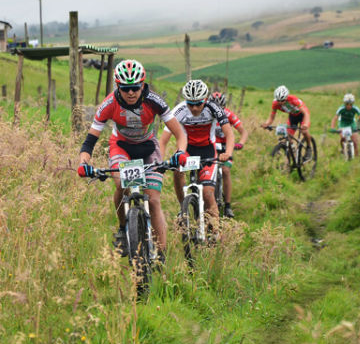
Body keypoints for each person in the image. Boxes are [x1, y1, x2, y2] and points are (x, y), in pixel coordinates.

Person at [77, 59, 187, 260]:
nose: (130, 92)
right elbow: (89, 141)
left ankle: (161, 254)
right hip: (121, 147)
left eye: (135, 88)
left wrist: (180, 152)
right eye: (125, 88)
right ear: (118, 86)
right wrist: (84, 162)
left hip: (148, 147)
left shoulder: (154, 100)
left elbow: (180, 133)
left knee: (153, 200)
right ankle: (122, 229)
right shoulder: (108, 104)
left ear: (142, 85)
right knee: (121, 184)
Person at [159, 80, 234, 226]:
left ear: (205, 99)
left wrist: (228, 153)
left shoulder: (214, 108)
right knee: (177, 171)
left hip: (207, 150)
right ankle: (183, 208)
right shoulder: (179, 110)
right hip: (188, 151)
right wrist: (161, 161)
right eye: (190, 104)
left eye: (198, 104)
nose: (194, 108)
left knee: (207, 193)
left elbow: (229, 134)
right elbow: (163, 141)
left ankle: (215, 232)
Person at [208, 92, 248, 218]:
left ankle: (228, 205)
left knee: (225, 171)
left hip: (226, 147)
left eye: (220, 107)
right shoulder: (206, 115)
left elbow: (243, 131)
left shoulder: (229, 114)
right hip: (212, 146)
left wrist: (240, 143)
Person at [261, 85, 312, 160]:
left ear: (286, 98)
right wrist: (267, 124)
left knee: (304, 131)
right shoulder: (275, 103)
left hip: (302, 115)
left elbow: (306, 113)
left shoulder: (293, 99)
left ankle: (308, 148)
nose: (280, 103)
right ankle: (293, 153)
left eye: (283, 100)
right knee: (288, 136)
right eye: (278, 100)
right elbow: (272, 117)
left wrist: (305, 124)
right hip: (292, 116)